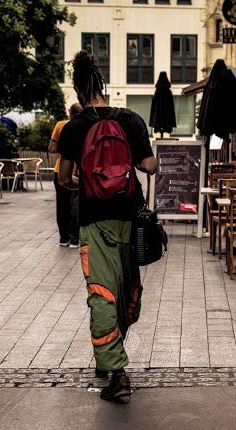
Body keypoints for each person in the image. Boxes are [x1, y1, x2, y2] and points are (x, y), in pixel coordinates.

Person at [58, 50, 157, 402]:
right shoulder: (130, 119)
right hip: (131, 218)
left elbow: (64, 177)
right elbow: (150, 166)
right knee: (127, 291)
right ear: (101, 84)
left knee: (101, 292)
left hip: (94, 221)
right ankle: (111, 354)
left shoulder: (75, 127)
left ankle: (116, 373)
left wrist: (86, 181)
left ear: (78, 90)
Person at [49, 103, 83, 247]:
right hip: (79, 173)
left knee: (62, 206)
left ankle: (64, 238)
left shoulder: (60, 125)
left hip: (60, 170)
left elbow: (52, 148)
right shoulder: (85, 127)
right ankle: (75, 238)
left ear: (70, 113)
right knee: (76, 204)